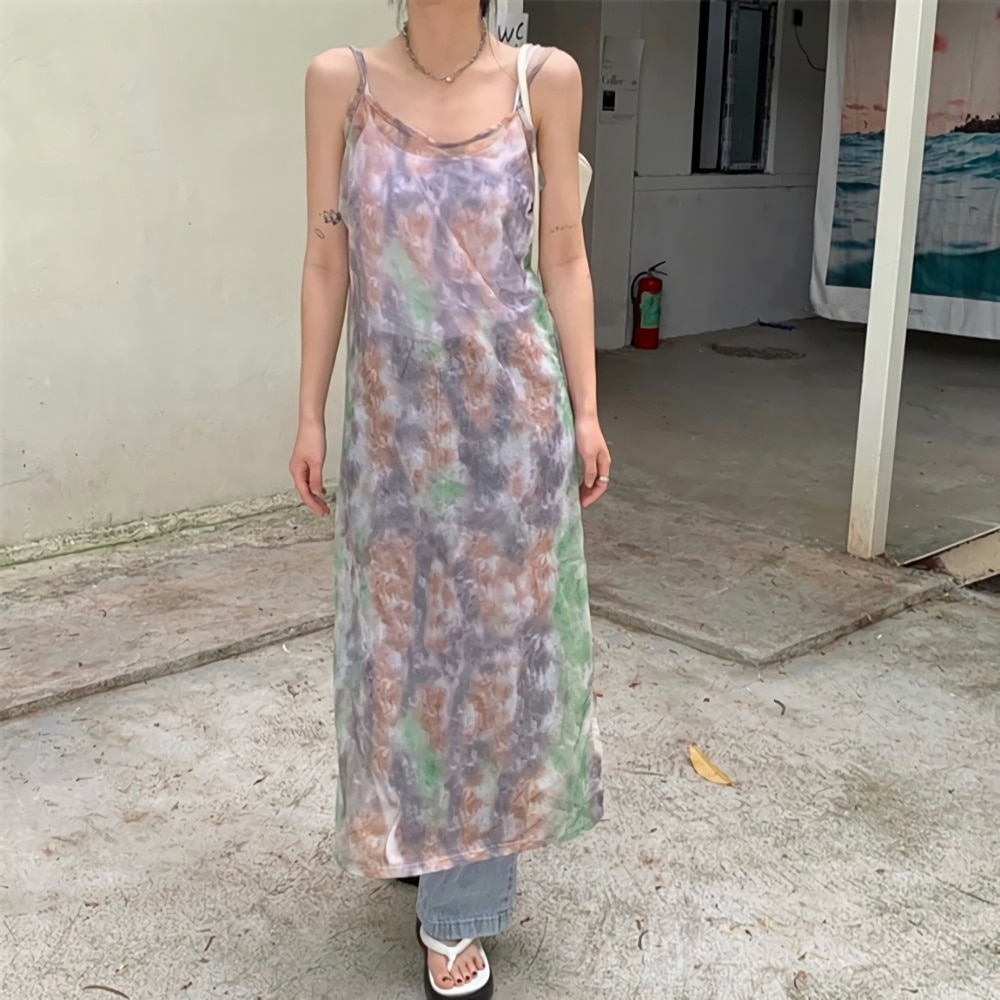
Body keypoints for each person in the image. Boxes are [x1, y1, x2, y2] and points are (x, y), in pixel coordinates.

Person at [289, 1, 610, 995]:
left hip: (513, 429)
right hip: (394, 435)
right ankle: (423, 832)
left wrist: (587, 412)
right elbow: (327, 256)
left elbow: (563, 253)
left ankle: (460, 907)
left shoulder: (541, 80)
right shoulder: (339, 82)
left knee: (496, 664)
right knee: (402, 653)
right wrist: (308, 413)